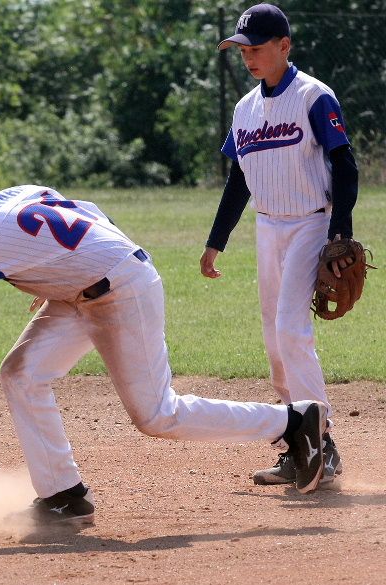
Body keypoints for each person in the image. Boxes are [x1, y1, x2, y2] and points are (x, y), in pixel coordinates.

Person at [0, 150, 329, 528]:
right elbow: (88, 210)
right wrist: (65, 271)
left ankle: (293, 420)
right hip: (84, 289)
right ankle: (64, 494)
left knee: (156, 415)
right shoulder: (15, 194)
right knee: (21, 374)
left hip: (123, 293)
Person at [201, 3, 357, 487]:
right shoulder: (244, 109)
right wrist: (215, 242)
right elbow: (238, 181)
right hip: (267, 228)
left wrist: (340, 231)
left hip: (312, 222)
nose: (248, 56)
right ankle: (297, 444)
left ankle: (324, 444)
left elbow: (346, 165)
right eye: (242, 49)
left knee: (292, 331)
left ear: (284, 46)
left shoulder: (314, 95)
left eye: (257, 47)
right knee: (275, 342)